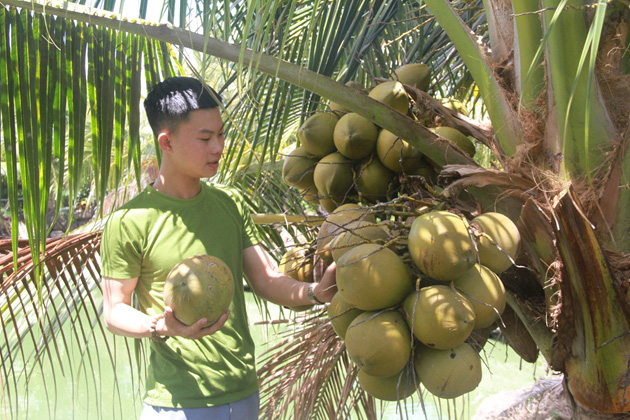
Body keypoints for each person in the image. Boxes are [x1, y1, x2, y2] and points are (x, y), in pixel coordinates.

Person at [100, 76, 337, 420]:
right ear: (166, 142)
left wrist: (315, 292)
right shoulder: (129, 220)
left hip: (244, 396)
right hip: (176, 405)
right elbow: (114, 311)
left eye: (221, 134)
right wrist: (163, 326)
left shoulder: (231, 202)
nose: (218, 147)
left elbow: (267, 280)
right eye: (205, 138)